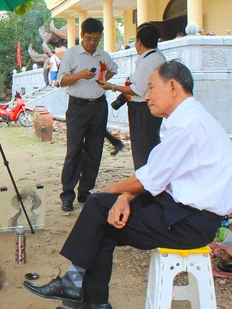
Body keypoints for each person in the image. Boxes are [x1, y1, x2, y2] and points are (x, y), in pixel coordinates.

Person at [24, 60, 232, 309]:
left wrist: (110, 192)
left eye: (152, 87)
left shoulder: (188, 126)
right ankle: (93, 300)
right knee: (105, 219)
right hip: (182, 212)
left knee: (98, 206)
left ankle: (75, 283)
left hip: (189, 222)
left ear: (173, 87)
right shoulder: (192, 118)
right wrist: (124, 197)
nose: (147, 95)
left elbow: (147, 180)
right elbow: (153, 179)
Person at [57, 18, 118, 212]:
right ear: (81, 36)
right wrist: (79, 75)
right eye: (89, 39)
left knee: (94, 150)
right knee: (74, 151)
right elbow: (62, 81)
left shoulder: (103, 55)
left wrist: (102, 79)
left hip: (99, 106)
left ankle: (85, 191)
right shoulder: (71, 54)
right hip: (77, 107)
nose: (92, 43)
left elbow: (113, 69)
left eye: (96, 39)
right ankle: (68, 194)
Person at [98, 22, 166, 169]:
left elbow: (136, 90)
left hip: (142, 109)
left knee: (142, 148)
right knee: (149, 144)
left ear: (139, 42)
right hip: (148, 108)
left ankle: (145, 183)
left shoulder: (148, 61)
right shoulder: (157, 56)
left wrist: (113, 86)